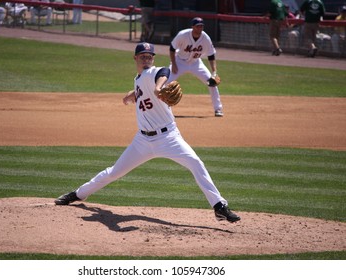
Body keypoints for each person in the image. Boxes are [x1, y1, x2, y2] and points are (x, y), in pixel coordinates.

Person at [54, 42, 241, 224]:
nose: (146, 59)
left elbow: (164, 72)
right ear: (135, 58)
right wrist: (131, 95)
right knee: (113, 172)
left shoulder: (154, 72)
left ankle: (219, 207)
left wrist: (159, 87)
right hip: (142, 141)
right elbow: (141, 87)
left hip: (169, 138)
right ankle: (78, 194)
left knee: (196, 164)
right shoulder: (138, 79)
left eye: (149, 57)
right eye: (143, 56)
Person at [167, 17, 224, 117]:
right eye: (198, 26)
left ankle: (218, 109)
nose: (200, 28)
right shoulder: (183, 35)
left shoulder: (205, 38)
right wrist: (174, 64)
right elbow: (172, 48)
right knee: (165, 83)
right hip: (179, 61)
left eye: (201, 26)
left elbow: (211, 55)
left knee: (212, 83)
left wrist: (214, 72)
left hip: (196, 63)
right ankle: (160, 108)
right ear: (192, 27)